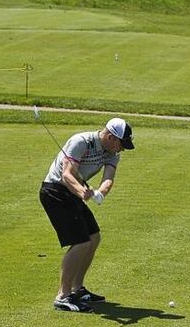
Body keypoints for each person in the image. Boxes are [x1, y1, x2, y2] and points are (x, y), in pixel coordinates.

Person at [39, 117, 135, 312]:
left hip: (73, 194)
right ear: (110, 137)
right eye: (121, 144)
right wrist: (81, 191)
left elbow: (108, 179)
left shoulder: (113, 154)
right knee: (80, 242)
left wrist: (100, 192)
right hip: (55, 191)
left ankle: (77, 289)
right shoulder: (81, 141)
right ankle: (63, 296)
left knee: (93, 237)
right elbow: (67, 174)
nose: (122, 149)